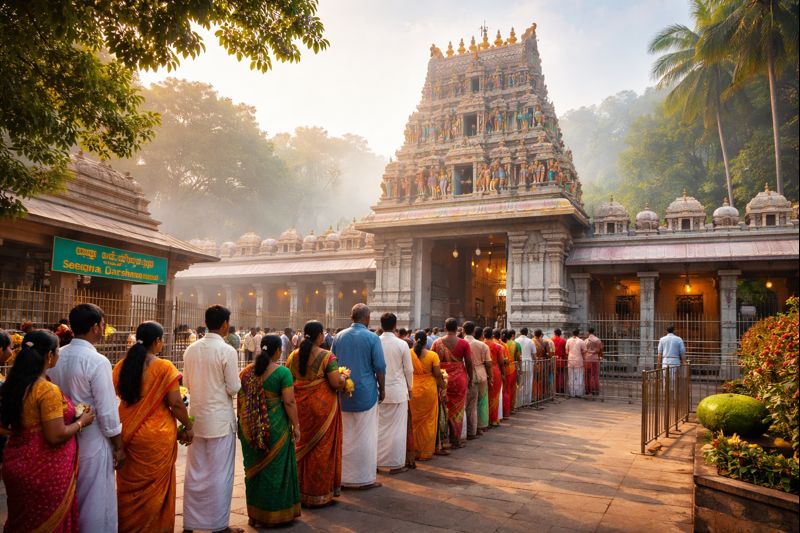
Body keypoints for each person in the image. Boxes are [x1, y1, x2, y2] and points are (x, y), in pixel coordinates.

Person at [1, 330, 95, 532]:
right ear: (50, 355)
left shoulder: (13, 383)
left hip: (16, 465)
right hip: (44, 471)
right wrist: (81, 422)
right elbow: (55, 435)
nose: (58, 355)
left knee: (22, 523)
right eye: (57, 351)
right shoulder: (46, 390)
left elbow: (6, 426)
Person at [49, 303, 124, 533]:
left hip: (62, 435)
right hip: (91, 439)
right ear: (95, 327)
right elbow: (108, 411)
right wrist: (118, 445)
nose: (103, 328)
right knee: (94, 499)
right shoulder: (97, 361)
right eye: (103, 324)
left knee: (69, 494)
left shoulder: (57, 355)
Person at [113, 321, 192, 533]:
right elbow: (176, 403)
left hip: (127, 432)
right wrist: (188, 426)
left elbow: (117, 394)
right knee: (155, 491)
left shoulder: (121, 365)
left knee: (128, 489)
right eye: (162, 340)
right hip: (156, 437)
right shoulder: (164, 367)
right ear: (157, 341)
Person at [182, 305, 242, 533]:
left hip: (197, 419)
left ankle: (190, 523)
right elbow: (234, 387)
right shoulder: (227, 351)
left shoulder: (191, 349)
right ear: (225, 324)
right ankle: (217, 525)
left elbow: (186, 383)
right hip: (220, 421)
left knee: (195, 473)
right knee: (220, 474)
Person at [238, 335, 301, 526]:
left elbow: (241, 401)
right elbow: (289, 402)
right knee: (276, 470)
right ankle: (277, 515)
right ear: (277, 351)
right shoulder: (282, 373)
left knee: (254, 471)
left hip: (250, 428)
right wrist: (296, 426)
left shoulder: (246, 372)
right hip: (276, 427)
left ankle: (255, 515)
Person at [287, 321, 345, 507]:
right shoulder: (327, 356)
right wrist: (344, 379)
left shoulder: (293, 355)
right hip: (322, 410)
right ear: (320, 335)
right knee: (322, 451)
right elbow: (335, 382)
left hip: (300, 408)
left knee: (300, 448)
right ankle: (319, 494)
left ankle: (298, 492)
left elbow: (290, 379)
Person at [331, 303, 386, 489]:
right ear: (368, 319)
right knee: (365, 436)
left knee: (345, 435)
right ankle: (363, 479)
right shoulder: (372, 338)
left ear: (351, 317)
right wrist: (382, 389)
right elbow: (380, 367)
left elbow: (332, 364)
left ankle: (343, 477)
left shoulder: (339, 336)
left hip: (342, 393)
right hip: (366, 393)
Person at [377, 313, 414, 473]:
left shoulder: (375, 341)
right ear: (395, 325)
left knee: (379, 428)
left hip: (379, 390)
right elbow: (409, 370)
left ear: (381, 325)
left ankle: (377, 461)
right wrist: (410, 388)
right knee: (398, 430)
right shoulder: (402, 344)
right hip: (398, 391)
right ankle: (395, 464)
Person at [430, 318, 473, 448]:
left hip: (442, 379)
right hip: (459, 379)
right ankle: (455, 440)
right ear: (457, 328)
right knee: (457, 411)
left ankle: (442, 440)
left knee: (442, 409)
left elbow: (432, 361)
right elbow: (469, 362)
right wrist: (470, 378)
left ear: (445, 327)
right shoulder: (464, 343)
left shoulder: (437, 343)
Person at [409, 330, 444, 460]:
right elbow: (437, 374)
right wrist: (443, 385)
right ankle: (425, 451)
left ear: (415, 340)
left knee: (413, 421)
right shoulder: (432, 355)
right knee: (428, 421)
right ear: (426, 341)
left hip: (413, 388)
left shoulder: (409, 353)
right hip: (429, 390)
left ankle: (413, 451)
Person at [463, 322, 492, 438]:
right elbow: (488, 363)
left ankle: (464, 431)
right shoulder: (482, 345)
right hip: (480, 374)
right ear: (474, 331)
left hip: (464, 374)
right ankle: (478, 427)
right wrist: (490, 376)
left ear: (463, 330)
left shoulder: (460, 343)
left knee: (465, 404)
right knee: (480, 402)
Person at [483, 327, 504, 427]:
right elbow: (501, 362)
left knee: (484, 396)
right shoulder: (498, 347)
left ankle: (484, 420)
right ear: (492, 335)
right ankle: (493, 420)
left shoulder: (481, 344)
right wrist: (503, 373)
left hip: (483, 371)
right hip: (495, 371)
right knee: (495, 396)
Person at [516, 328, 536, 404]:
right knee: (528, 383)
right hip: (528, 364)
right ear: (527, 333)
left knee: (519, 383)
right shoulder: (530, 341)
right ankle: (527, 401)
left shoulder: (516, 341)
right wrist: (535, 362)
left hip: (519, 364)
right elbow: (534, 354)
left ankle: (519, 402)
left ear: (520, 332)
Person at [502, 329, 520, 414]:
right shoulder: (514, 344)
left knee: (505, 389)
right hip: (512, 368)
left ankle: (503, 410)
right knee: (512, 389)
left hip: (503, 368)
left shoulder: (500, 344)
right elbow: (518, 357)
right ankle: (511, 408)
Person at [565, 329, 586, 397]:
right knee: (579, 377)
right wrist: (579, 352)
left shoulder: (568, 340)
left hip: (570, 360)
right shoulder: (581, 341)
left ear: (572, 333)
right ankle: (578, 393)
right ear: (578, 334)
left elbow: (566, 351)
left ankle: (572, 393)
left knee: (571, 377)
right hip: (578, 360)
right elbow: (585, 350)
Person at [584, 327, 604, 396]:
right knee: (595, 375)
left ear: (588, 332)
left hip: (587, 359)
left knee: (587, 375)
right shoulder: (597, 340)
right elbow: (601, 349)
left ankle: (588, 389)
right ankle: (595, 390)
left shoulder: (586, 340)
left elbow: (584, 350)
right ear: (594, 332)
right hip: (595, 359)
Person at [551, 328, 567, 394]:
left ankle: (553, 389)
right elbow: (565, 351)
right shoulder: (563, 341)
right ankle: (561, 388)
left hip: (553, 360)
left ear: (554, 333)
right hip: (561, 360)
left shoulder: (551, 340)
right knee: (561, 375)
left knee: (554, 375)